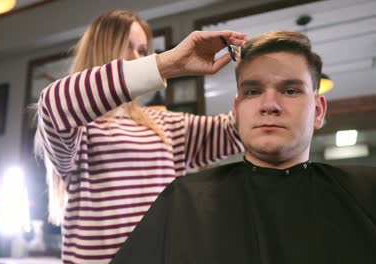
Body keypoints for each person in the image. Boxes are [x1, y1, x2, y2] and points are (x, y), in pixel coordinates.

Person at [110, 30, 376, 264]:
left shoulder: (366, 194)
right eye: (252, 91)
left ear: (318, 111)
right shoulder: (185, 202)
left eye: (291, 91)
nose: (269, 104)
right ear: (235, 112)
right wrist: (165, 64)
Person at [34, 10, 248, 263]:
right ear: (100, 49)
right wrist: (168, 63)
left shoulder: (165, 123)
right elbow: (53, 104)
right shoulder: (81, 128)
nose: (138, 58)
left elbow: (236, 129)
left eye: (143, 51)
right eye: (127, 48)